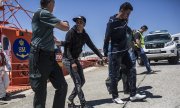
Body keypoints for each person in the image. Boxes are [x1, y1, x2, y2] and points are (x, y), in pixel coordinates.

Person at [103, 2, 146, 104]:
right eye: (128, 13)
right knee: (114, 75)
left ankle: (133, 94)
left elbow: (127, 28)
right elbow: (106, 38)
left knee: (132, 70)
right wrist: (105, 52)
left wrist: (133, 34)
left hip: (124, 51)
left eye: (129, 13)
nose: (128, 15)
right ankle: (115, 96)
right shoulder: (111, 22)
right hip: (115, 52)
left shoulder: (125, 20)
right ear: (122, 10)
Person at [29, 0, 69, 108]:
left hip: (49, 56)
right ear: (51, 3)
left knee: (62, 86)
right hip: (40, 56)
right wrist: (66, 22)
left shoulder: (42, 15)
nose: (54, 7)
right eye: (54, 4)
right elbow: (65, 27)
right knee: (40, 91)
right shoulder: (43, 13)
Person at [62, 16, 103, 108]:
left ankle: (70, 99)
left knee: (82, 81)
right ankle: (83, 104)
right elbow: (67, 48)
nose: (78, 23)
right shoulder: (70, 33)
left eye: (80, 22)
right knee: (77, 81)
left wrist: (101, 56)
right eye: (77, 22)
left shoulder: (85, 35)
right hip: (68, 59)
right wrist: (72, 62)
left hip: (75, 59)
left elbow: (92, 46)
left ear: (84, 24)